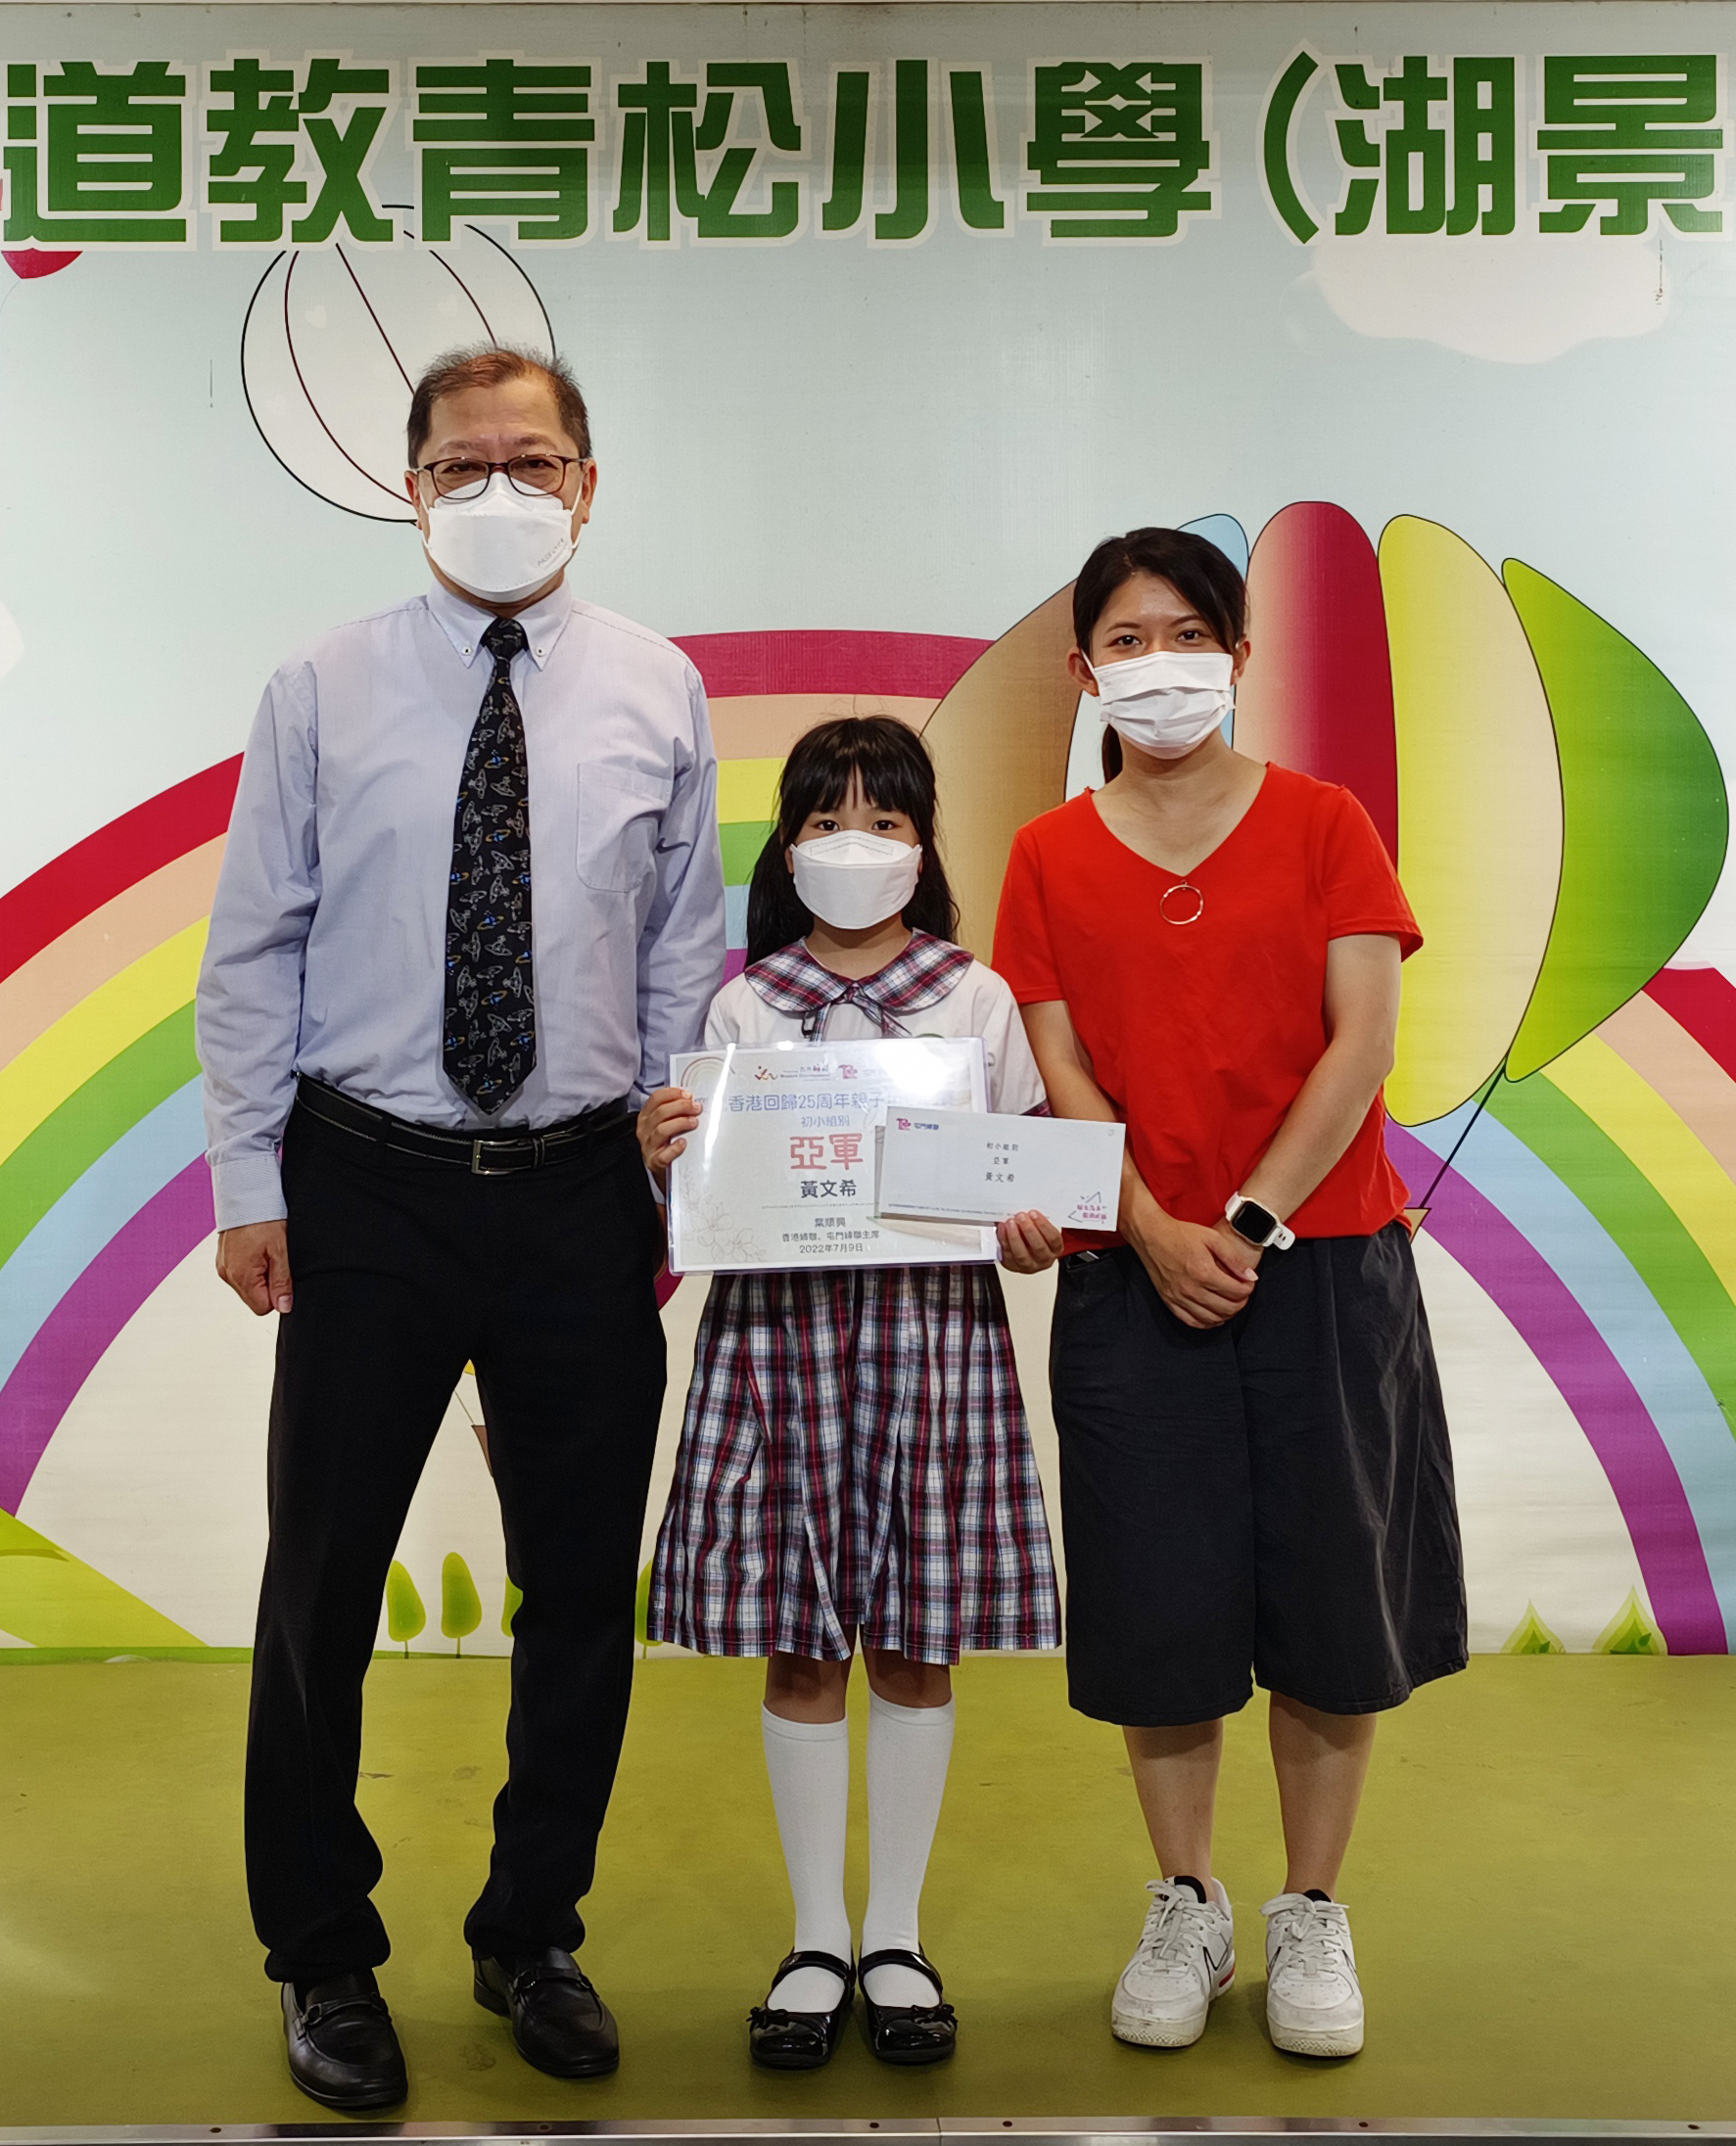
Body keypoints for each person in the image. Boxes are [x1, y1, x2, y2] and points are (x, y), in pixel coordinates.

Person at [196, 346, 725, 2112]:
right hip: (367, 1187)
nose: (500, 491)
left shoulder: (658, 685)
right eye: (462, 464)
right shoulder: (322, 686)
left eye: (534, 461)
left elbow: (681, 946)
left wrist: (678, 1161)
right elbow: (254, 945)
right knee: (322, 1585)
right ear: (409, 485)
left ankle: (532, 1929)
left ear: (588, 482)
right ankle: (320, 1952)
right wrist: (250, 1184)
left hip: (583, 1191)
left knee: (578, 1587)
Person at [988, 527, 1463, 2062]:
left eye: (1188, 634)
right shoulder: (1048, 854)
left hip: (1324, 1265)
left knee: (1334, 1597)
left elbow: (1362, 1043)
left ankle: (1311, 1909)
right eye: (1126, 641)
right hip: (1135, 1277)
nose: (1160, 665)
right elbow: (1058, 1062)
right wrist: (1146, 1226)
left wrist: (1246, 1222)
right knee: (1158, 1597)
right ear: (1085, 672)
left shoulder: (1327, 823)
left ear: (1243, 656)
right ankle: (1185, 1897)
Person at [636, 717, 1064, 2072]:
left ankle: (896, 1934)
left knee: (918, 1641)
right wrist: (666, 1154)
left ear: (925, 846)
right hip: (778, 1346)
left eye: (885, 822)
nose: (856, 846)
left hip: (934, 1346)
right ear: (788, 848)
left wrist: (1031, 1223)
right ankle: (817, 1936)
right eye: (827, 822)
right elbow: (705, 1199)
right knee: (802, 1640)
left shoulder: (976, 1000)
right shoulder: (744, 1008)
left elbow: (1025, 1172)